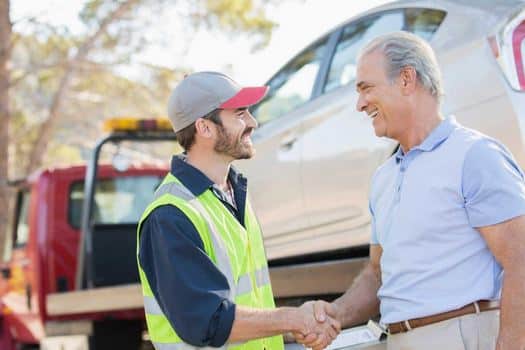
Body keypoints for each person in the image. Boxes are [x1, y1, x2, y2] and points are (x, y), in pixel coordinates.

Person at [298, 31, 525, 350]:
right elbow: (378, 274)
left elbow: (521, 260)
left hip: (462, 335)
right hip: (398, 339)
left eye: (366, 88)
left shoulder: (474, 156)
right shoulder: (383, 178)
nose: (360, 104)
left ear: (406, 79)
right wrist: (335, 313)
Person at [136, 71, 340, 350]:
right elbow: (207, 320)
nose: (253, 123)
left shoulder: (234, 193)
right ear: (205, 128)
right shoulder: (171, 215)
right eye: (241, 114)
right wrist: (293, 319)